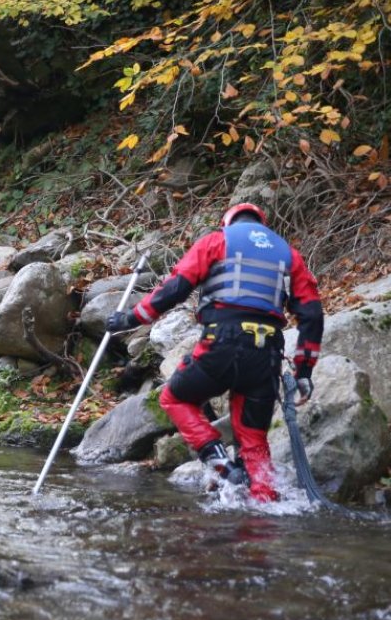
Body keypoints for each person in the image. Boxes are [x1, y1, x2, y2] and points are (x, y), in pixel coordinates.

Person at [107, 202, 324, 502]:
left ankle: (220, 463)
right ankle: (265, 511)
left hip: (221, 345)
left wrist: (131, 319)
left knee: (174, 397)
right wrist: (305, 372)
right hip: (266, 356)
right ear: (261, 224)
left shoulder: (217, 241)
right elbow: (313, 315)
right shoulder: (289, 255)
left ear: (228, 222)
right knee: (253, 439)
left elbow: (175, 288)